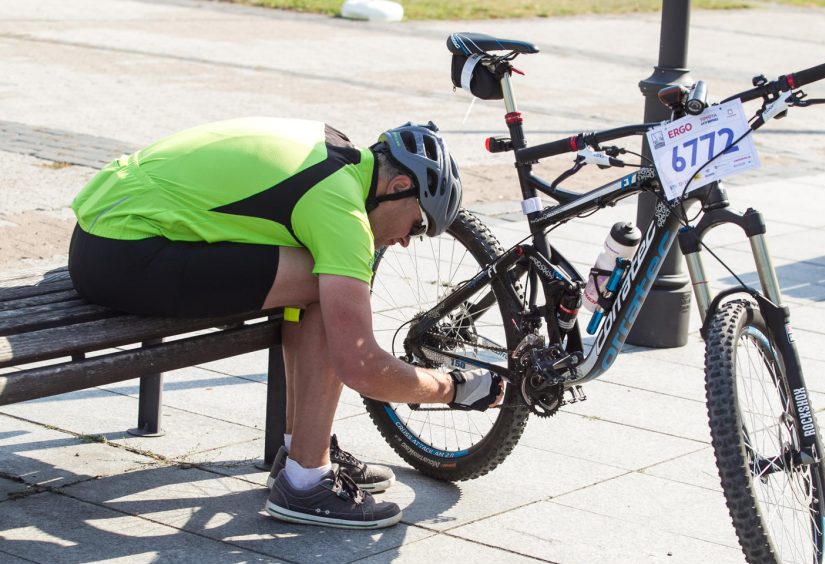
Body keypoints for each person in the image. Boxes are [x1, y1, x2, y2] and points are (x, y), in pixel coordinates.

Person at [68, 117, 504, 529]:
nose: (407, 240)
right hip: (123, 253)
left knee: (322, 277)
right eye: (419, 223)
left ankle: (303, 455)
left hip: (105, 229)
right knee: (325, 276)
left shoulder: (335, 147)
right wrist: (453, 388)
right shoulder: (341, 210)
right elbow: (360, 366)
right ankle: (304, 483)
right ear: (400, 185)